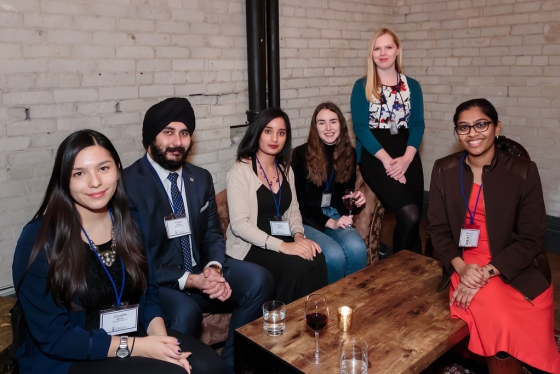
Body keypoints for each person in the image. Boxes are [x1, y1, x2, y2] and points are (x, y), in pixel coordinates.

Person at [12, 130, 225, 374]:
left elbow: (150, 292)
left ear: (118, 170)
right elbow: (56, 338)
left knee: (211, 366)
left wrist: (161, 343)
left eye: (103, 168)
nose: (95, 182)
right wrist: (141, 347)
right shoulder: (39, 239)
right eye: (79, 173)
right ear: (64, 180)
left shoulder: (129, 222)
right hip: (73, 353)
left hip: (133, 333)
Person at [123, 98, 275, 373]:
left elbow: (213, 234)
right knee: (185, 311)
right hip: (158, 283)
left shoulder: (200, 178)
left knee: (259, 280)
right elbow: (135, 258)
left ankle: (230, 364)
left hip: (200, 271)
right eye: (168, 132)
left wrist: (214, 269)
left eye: (184, 133)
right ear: (150, 137)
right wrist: (190, 280)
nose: (177, 141)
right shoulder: (128, 184)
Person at [427, 99, 560, 374]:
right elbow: (437, 230)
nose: (472, 133)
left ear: (496, 128)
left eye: (481, 124)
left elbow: (532, 238)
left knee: (507, 314)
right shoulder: (443, 169)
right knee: (494, 317)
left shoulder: (523, 171)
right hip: (463, 260)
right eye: (463, 127)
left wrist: (485, 272)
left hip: (511, 264)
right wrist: (463, 269)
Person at [225, 107, 328, 303]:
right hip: (250, 247)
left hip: (282, 238)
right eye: (268, 131)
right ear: (257, 133)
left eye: (281, 133)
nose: (274, 139)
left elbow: (294, 210)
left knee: (317, 257)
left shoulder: (285, 169)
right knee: (295, 267)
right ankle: (282, 325)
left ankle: (313, 318)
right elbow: (239, 225)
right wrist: (284, 247)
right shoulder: (240, 171)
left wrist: (298, 236)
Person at [350, 28, 425, 256]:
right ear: (371, 53)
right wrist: (388, 162)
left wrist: (406, 160)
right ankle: (398, 266)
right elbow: (361, 128)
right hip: (375, 153)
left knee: (414, 217)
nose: (383, 53)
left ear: (398, 50)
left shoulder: (412, 85)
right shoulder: (363, 86)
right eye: (377, 48)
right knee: (409, 213)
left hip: (407, 149)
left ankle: (412, 263)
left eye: (388, 47)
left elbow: (418, 125)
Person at [291, 102, 368, 284]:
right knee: (334, 255)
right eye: (321, 122)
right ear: (314, 127)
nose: (328, 128)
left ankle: (353, 300)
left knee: (357, 247)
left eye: (333, 121)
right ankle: (331, 305)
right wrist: (330, 222)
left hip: (334, 214)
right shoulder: (301, 154)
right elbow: (297, 203)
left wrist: (355, 202)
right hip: (306, 219)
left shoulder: (349, 153)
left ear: (340, 124)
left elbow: (343, 200)